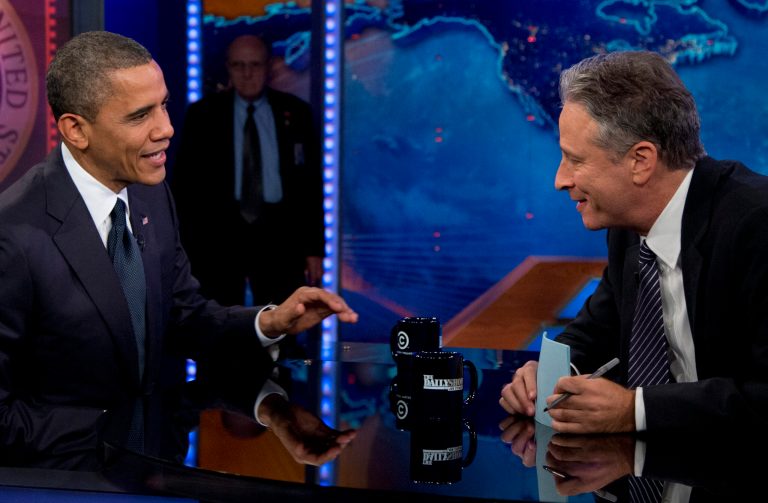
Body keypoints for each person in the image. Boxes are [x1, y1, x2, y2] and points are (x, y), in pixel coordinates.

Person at [0, 31, 357, 461]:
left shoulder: (152, 193)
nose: (167, 129)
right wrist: (124, 432)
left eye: (164, 105)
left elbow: (182, 316)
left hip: (156, 469)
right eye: (139, 115)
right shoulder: (12, 234)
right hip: (69, 481)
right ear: (76, 130)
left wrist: (270, 323)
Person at [499, 50, 768, 434]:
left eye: (574, 160)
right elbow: (598, 330)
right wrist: (548, 373)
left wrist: (635, 410)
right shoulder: (628, 226)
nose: (560, 180)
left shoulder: (756, 226)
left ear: (640, 161)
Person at [172, 34, 324, 307]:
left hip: (280, 238)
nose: (247, 73)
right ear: (228, 68)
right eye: (238, 65)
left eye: (255, 65)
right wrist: (185, 251)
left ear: (268, 67)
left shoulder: (296, 112)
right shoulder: (202, 115)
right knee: (219, 328)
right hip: (218, 240)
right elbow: (185, 188)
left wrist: (314, 250)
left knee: (282, 327)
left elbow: (310, 187)